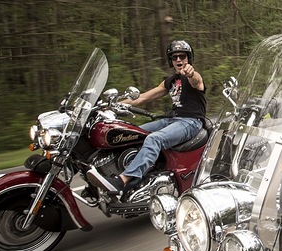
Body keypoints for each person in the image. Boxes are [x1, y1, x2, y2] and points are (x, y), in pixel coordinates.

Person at [87, 40, 206, 200]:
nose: (178, 60)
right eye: (174, 57)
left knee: (154, 139)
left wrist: (191, 73)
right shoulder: (170, 82)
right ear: (171, 60)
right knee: (132, 133)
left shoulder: (194, 77)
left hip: (190, 121)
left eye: (182, 56)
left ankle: (122, 182)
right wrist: (110, 105)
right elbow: (142, 98)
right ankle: (140, 178)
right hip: (173, 119)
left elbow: (196, 81)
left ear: (188, 59)